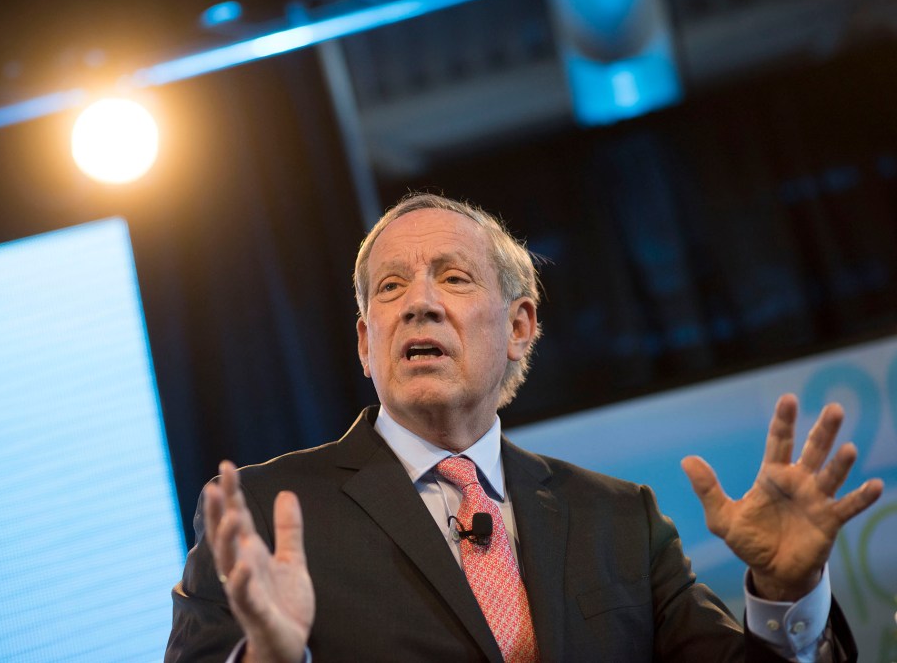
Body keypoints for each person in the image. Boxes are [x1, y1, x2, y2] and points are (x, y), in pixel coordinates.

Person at [165, 193, 884, 662]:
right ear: (364, 341)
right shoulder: (263, 514)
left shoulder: (617, 519)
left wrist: (787, 594)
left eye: (452, 277)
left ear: (520, 326)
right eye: (390, 287)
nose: (418, 304)